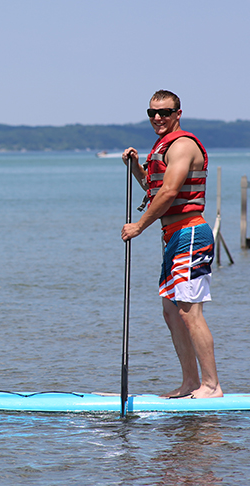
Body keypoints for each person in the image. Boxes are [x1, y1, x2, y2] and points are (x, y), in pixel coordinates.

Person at [121, 90, 223, 399]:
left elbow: (169, 193)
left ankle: (212, 385)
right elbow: (155, 189)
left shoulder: (182, 145)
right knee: (171, 311)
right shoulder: (161, 148)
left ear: (178, 113)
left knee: (190, 312)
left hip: (191, 234)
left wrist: (139, 226)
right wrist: (137, 167)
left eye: (165, 112)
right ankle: (191, 382)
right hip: (173, 238)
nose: (158, 118)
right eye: (152, 113)